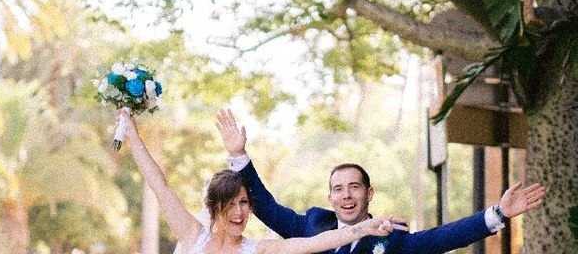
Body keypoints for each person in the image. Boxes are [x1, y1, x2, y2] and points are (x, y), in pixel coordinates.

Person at [216, 108, 547, 254]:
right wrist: (239, 156)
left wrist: (498, 214)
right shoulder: (311, 226)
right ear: (330, 197)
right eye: (338, 189)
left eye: (354, 187)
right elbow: (264, 205)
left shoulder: (393, 239)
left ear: (369, 193)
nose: (346, 196)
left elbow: (445, 237)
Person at [118, 109, 409, 254]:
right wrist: (132, 134)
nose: (240, 212)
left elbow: (320, 241)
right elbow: (159, 186)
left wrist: (364, 227)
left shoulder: (259, 249)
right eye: (230, 204)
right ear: (214, 207)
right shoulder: (193, 236)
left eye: (244, 203)